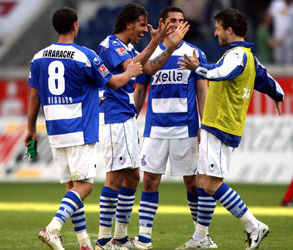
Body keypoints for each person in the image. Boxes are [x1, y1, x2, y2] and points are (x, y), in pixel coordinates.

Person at [24, 7, 142, 250]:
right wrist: (130, 72)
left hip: (55, 129)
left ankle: (84, 242)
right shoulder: (84, 55)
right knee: (85, 186)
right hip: (80, 128)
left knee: (72, 187)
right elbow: (114, 81)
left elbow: (34, 97)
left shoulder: (38, 57)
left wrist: (30, 129)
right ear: (76, 25)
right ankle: (53, 228)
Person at [177, 8, 284, 250]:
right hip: (217, 125)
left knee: (212, 184)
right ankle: (200, 238)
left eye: (218, 28)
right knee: (203, 181)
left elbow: (221, 73)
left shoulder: (236, 55)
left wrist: (197, 68)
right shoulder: (247, 56)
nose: (215, 33)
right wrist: (277, 93)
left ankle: (253, 225)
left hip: (221, 126)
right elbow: (266, 78)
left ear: (230, 30)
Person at [95, 3, 189, 250]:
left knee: (132, 177)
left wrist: (168, 47)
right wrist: (158, 41)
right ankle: (104, 241)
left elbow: (147, 68)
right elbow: (132, 67)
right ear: (128, 23)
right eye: (140, 25)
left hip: (125, 117)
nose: (143, 31)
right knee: (115, 178)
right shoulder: (111, 44)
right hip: (115, 116)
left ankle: (120, 237)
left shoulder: (127, 47)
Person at [133, 6, 216, 249]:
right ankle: (145, 239)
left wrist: (205, 123)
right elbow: (140, 90)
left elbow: (203, 90)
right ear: (162, 23)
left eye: (181, 21)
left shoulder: (194, 52)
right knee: (149, 181)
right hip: (155, 128)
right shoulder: (150, 53)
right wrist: (131, 120)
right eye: (173, 20)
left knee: (192, 183)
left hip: (186, 128)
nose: (178, 24)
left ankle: (201, 236)